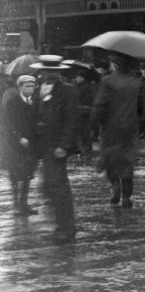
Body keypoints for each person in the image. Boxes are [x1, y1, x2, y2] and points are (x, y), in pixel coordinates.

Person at [30, 55, 79, 242]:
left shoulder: (67, 91)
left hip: (57, 145)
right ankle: (62, 223)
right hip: (42, 144)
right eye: (45, 71)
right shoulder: (37, 90)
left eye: (53, 72)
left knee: (59, 186)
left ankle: (66, 227)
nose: (48, 74)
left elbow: (71, 120)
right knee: (49, 184)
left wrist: (64, 146)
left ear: (59, 72)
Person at [91, 53, 143, 207]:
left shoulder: (107, 81)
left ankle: (115, 186)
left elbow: (100, 105)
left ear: (114, 65)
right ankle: (127, 196)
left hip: (111, 128)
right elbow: (141, 107)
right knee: (127, 161)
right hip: (130, 128)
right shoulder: (136, 82)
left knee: (111, 158)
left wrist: (94, 126)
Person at [2, 74, 39, 215]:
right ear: (20, 87)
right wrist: (19, 138)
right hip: (15, 145)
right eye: (27, 86)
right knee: (16, 174)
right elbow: (8, 124)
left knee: (28, 173)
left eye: (32, 86)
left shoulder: (35, 102)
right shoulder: (12, 102)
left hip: (30, 145)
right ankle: (17, 204)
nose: (31, 89)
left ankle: (24, 203)